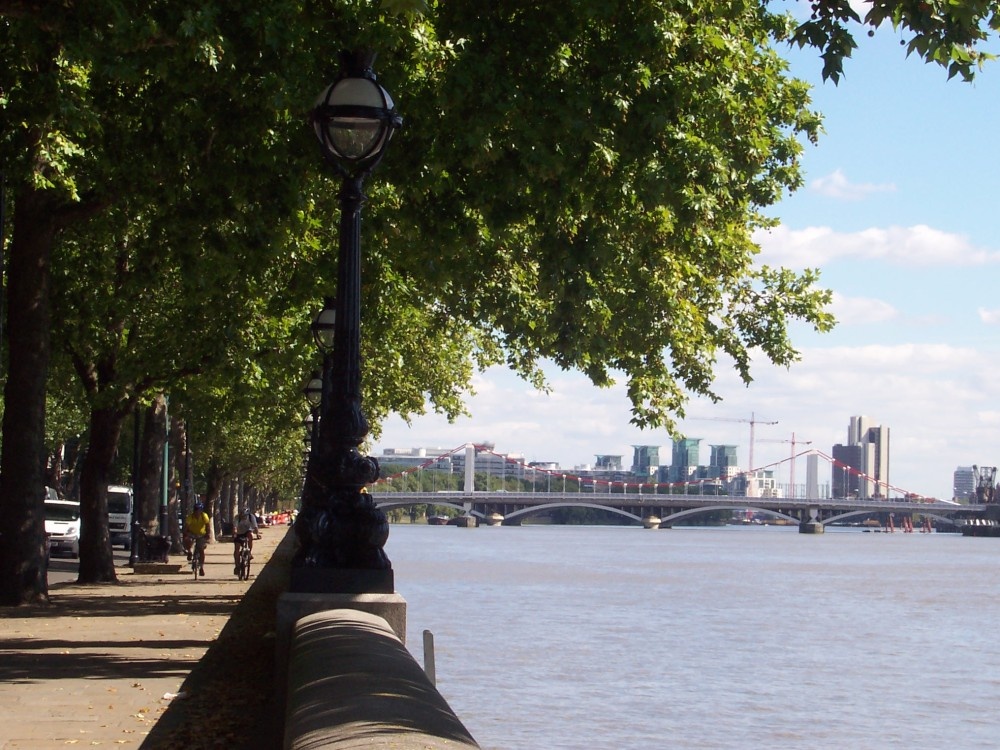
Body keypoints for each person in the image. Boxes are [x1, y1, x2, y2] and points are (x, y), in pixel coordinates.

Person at [183, 502, 211, 576]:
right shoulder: (190, 517)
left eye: (198, 510)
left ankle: (201, 567)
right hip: (191, 533)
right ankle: (189, 552)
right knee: (188, 540)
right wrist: (185, 534)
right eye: (195, 510)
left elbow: (208, 526)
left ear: (201, 510)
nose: (197, 511)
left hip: (201, 534)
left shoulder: (204, 516)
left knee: (201, 550)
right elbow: (186, 527)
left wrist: (208, 534)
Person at [233, 508, 259, 575]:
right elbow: (235, 527)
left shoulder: (251, 517)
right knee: (237, 549)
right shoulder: (237, 517)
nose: (243, 517)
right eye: (242, 516)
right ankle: (237, 566)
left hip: (248, 532)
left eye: (245, 516)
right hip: (239, 533)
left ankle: (249, 552)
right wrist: (235, 533)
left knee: (250, 536)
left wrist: (257, 534)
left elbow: (255, 527)